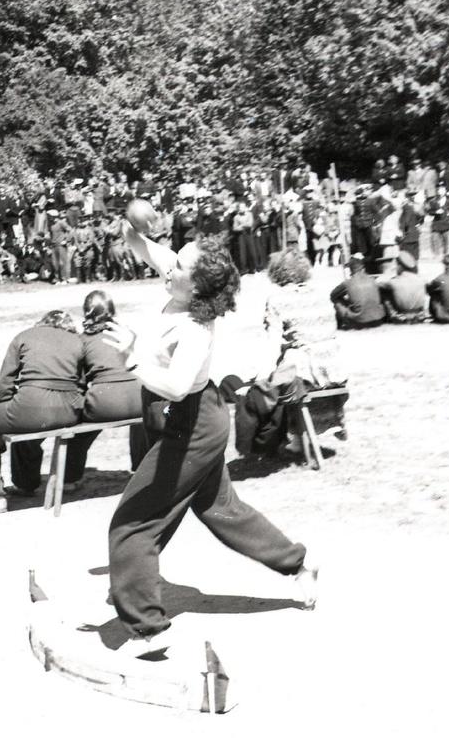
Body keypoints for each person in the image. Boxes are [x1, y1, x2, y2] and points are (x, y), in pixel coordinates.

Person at [98, 218, 318, 656]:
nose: (168, 269)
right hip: (191, 419)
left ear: (197, 286)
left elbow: (178, 387)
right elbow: (144, 248)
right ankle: (300, 563)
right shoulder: (182, 280)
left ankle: (148, 629)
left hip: (191, 426)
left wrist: (130, 361)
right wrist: (130, 224)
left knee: (132, 524)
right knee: (221, 508)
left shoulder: (196, 329)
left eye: (178, 267)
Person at [230, 249, 348, 459]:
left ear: (276, 272)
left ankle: (288, 440)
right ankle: (307, 434)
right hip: (334, 366)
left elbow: (273, 345)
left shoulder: (278, 299)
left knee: (276, 380)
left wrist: (262, 377)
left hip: (308, 370)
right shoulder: (321, 295)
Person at [0, 310, 84, 514]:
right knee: (26, 420)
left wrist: (10, 404)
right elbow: (81, 383)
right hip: (70, 410)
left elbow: (3, 386)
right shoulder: (77, 341)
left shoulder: (24, 336)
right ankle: (24, 484)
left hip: (32, 405)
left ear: (42, 323)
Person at [62, 290, 146, 491]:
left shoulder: (82, 340)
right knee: (141, 423)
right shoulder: (128, 333)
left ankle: (69, 479)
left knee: (78, 430)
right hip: (140, 397)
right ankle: (141, 468)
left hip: (105, 400)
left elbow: (78, 382)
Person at [330, 253, 386, 329]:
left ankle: (342, 325)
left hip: (360, 321)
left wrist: (346, 300)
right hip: (378, 319)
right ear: (363, 268)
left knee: (337, 302)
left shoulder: (347, 283)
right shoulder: (372, 280)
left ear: (350, 270)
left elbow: (333, 295)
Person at [377, 251, 426, 323]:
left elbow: (377, 283)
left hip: (401, 316)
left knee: (384, 291)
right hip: (419, 315)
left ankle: (393, 316)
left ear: (400, 266)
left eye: (396, 265)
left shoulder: (394, 282)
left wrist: (388, 272)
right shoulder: (421, 279)